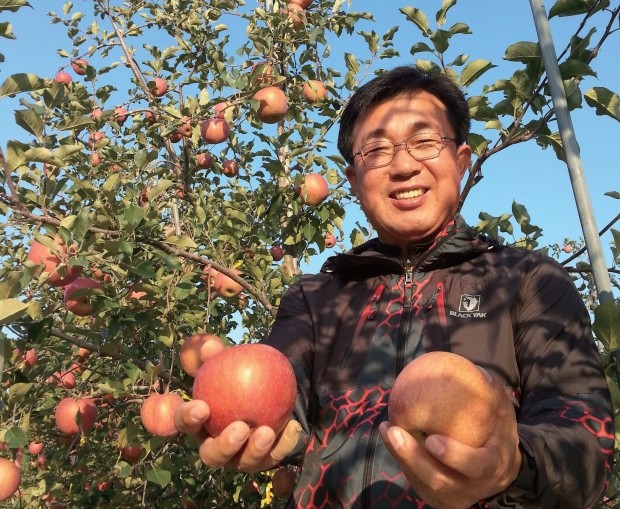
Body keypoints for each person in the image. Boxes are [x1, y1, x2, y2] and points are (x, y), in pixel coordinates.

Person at [175, 65, 614, 508]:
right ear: (353, 182)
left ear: (461, 162)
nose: (404, 165)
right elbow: (286, 401)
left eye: (425, 141)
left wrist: (515, 465)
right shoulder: (315, 298)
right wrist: (251, 428)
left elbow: (586, 437)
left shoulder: (526, 281)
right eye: (378, 150)